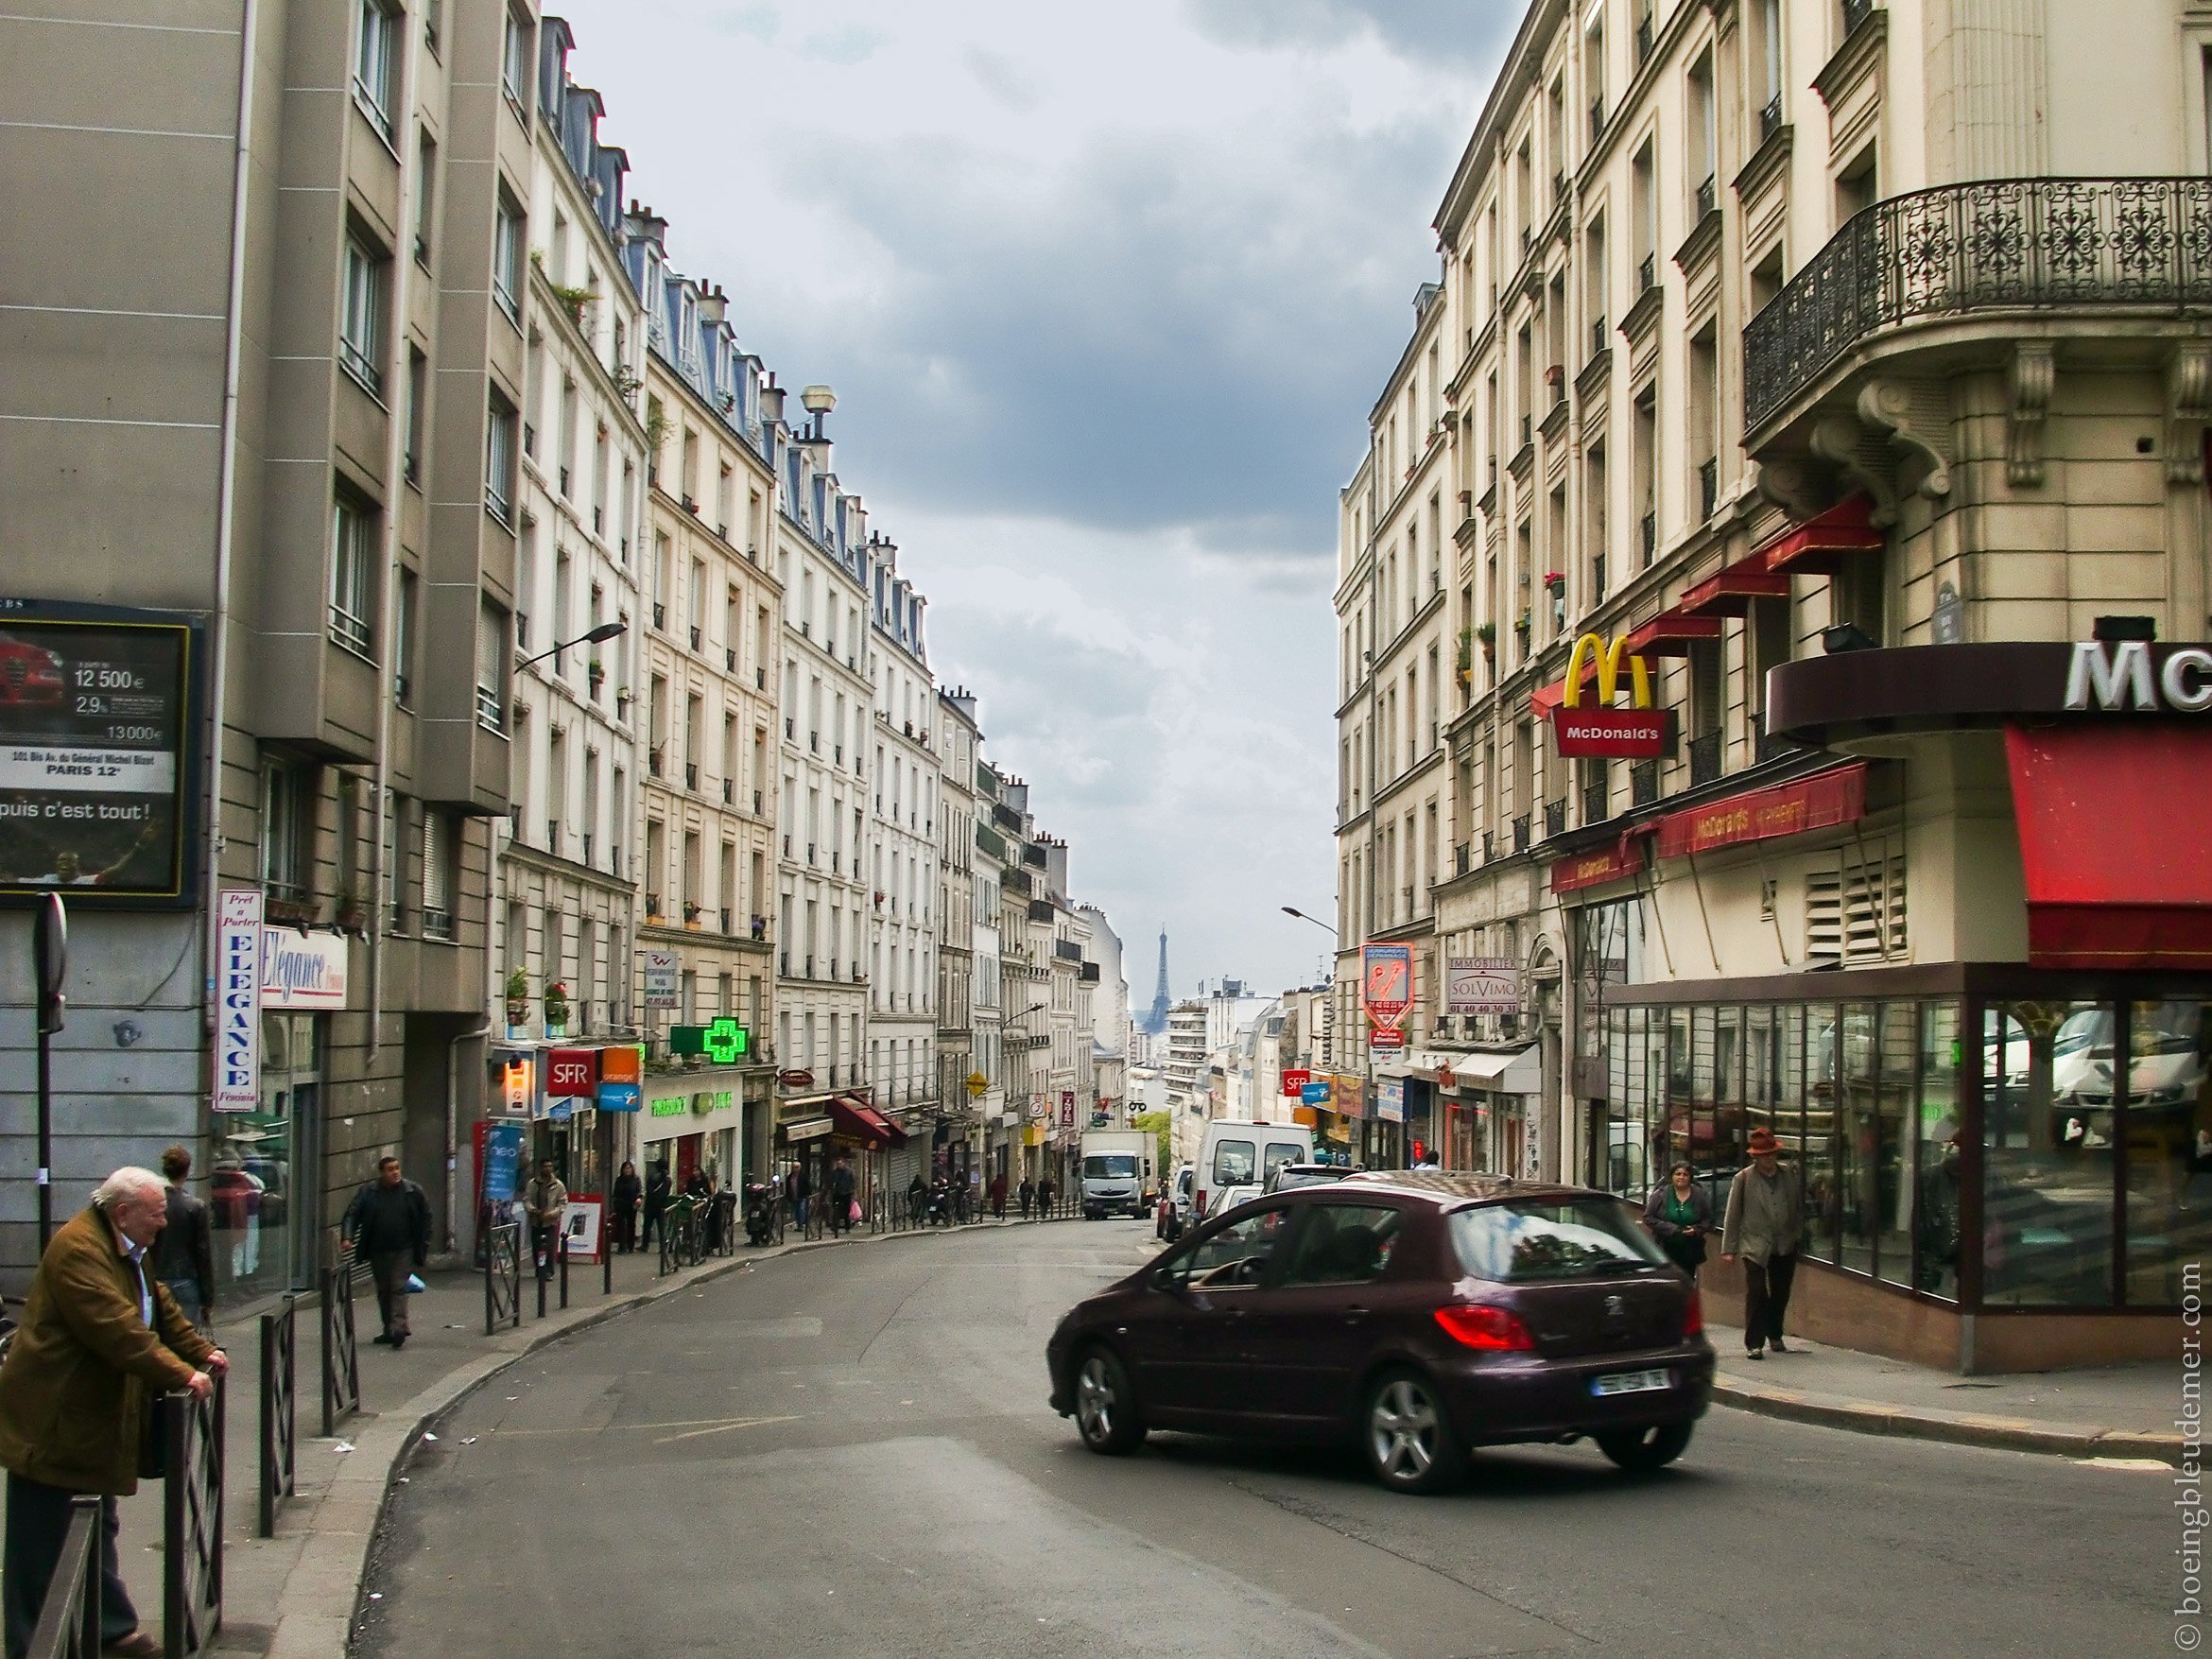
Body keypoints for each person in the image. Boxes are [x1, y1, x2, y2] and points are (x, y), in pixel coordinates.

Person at [0, 1166, 225, 1659]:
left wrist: (197, 1350)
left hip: (88, 1417)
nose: (163, 1223)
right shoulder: (81, 1250)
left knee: (95, 1520)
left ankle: (108, 1628)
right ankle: (32, 1646)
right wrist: (180, 1373)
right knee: (39, 1541)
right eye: (156, 1214)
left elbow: (154, 1305)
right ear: (123, 1212)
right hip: (53, 1418)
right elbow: (116, 1327)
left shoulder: (126, 1246)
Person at [1721, 1127, 1805, 1360]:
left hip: (1784, 1242)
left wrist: (1797, 1233)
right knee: (1757, 1292)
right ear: (1755, 1157)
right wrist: (1729, 1248)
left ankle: (1775, 1333)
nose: (1768, 1160)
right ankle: (1753, 1343)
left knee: (1781, 1292)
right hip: (1754, 1244)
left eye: (1771, 1155)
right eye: (1763, 1156)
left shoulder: (1788, 1174)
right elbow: (1733, 1214)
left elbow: (1797, 1207)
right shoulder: (1744, 1178)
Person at [341, 1155, 433, 1349]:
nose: (395, 1172)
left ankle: (399, 1328)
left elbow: (426, 1216)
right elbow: (353, 1213)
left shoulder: (412, 1191)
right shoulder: (369, 1192)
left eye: (397, 1168)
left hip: (404, 1248)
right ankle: (388, 1329)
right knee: (384, 1290)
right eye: (390, 1169)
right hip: (378, 1249)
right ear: (382, 1173)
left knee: (398, 1286)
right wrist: (347, 1237)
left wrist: (424, 1241)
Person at [151, 1144, 216, 1329]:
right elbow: (203, 1252)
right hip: (186, 1279)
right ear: (187, 1171)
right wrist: (207, 1296)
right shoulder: (195, 1207)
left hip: (158, 1277)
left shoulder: (154, 1204)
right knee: (187, 1339)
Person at [1643, 1164, 1714, 1277]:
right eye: (1678, 1174)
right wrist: (1672, 1229)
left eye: (1685, 1174)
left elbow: (1708, 1219)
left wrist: (1696, 1230)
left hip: (1690, 1249)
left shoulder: (1699, 1194)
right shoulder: (1660, 1194)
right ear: (1672, 1177)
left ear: (1690, 1177)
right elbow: (1648, 1217)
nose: (1681, 1177)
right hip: (1665, 1247)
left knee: (1687, 1281)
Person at [526, 1159, 569, 1278]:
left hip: (550, 1222)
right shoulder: (533, 1184)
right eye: (545, 1166)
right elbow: (527, 1199)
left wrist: (553, 1213)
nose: (548, 1168)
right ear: (541, 1168)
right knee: (536, 1247)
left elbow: (563, 1203)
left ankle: (548, 1271)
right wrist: (533, 1210)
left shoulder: (558, 1185)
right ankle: (539, 1269)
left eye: (550, 1166)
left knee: (549, 1247)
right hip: (536, 1220)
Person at [611, 1161, 642, 1254]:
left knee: (631, 1225)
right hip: (621, 1204)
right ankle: (621, 1246)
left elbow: (639, 1190)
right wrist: (615, 1204)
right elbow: (615, 1193)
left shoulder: (636, 1179)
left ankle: (630, 1245)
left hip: (632, 1204)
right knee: (621, 1225)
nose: (627, 1170)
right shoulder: (619, 1180)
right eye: (625, 1168)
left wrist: (639, 1198)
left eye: (629, 1168)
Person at [641, 1161, 672, 1249]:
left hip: (651, 1204)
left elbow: (649, 1190)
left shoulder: (653, 1177)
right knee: (661, 1227)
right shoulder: (668, 1179)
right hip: (662, 1205)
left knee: (647, 1226)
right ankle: (663, 1247)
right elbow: (667, 1192)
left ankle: (645, 1245)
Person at [828, 1154, 857, 1236]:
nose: (839, 1165)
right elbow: (832, 1182)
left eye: (840, 1164)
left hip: (847, 1193)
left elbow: (853, 1182)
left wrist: (853, 1192)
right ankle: (835, 1227)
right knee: (835, 1210)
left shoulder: (850, 1172)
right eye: (837, 1164)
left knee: (846, 1211)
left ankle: (847, 1227)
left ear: (844, 1163)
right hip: (837, 1193)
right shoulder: (835, 1172)